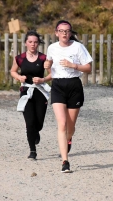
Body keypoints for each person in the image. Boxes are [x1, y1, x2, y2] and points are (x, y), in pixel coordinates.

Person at [44, 20, 93, 173]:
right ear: (56, 33)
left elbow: (89, 68)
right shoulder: (52, 48)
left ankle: (69, 138)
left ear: (70, 33)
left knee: (70, 127)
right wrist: (47, 66)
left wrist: (74, 65)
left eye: (67, 30)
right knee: (62, 124)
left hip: (74, 86)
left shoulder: (78, 47)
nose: (64, 33)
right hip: (58, 86)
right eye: (61, 30)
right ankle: (65, 161)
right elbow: (50, 66)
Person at [10, 30, 51, 160]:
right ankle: (32, 151)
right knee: (29, 122)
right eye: (30, 42)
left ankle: (36, 132)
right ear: (25, 43)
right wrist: (19, 77)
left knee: (38, 123)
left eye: (35, 42)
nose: (33, 44)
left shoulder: (44, 58)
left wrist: (42, 80)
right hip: (26, 91)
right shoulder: (20, 58)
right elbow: (12, 71)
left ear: (38, 43)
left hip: (40, 91)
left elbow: (52, 74)